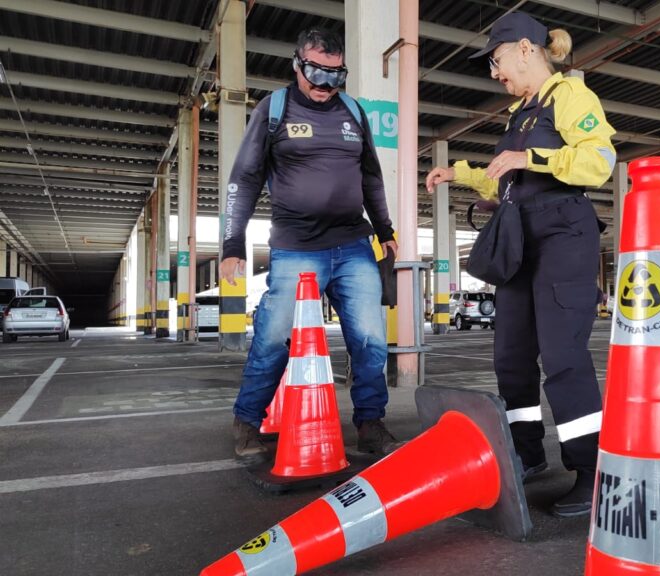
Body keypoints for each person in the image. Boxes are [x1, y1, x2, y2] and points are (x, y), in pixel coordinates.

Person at [426, 12, 616, 517]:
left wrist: (531, 159)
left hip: (563, 234)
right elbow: (503, 179)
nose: (494, 72)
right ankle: (526, 453)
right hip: (519, 242)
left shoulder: (570, 96)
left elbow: (599, 162)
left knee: (562, 357)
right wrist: (459, 174)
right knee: (511, 357)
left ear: (526, 49)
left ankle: (590, 470)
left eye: (496, 59)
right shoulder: (519, 114)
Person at [222, 27, 400, 462]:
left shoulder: (354, 113)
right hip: (296, 247)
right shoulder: (274, 109)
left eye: (336, 76)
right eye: (316, 74)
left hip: (353, 245)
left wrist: (385, 231)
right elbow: (243, 179)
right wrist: (232, 244)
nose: (325, 86)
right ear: (297, 64)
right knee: (273, 337)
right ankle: (247, 422)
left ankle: (371, 424)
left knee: (371, 339)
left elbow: (371, 177)